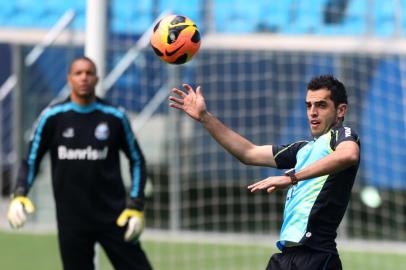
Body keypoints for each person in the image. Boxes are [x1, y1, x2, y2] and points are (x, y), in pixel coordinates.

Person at [169, 75, 360, 270]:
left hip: (316, 256)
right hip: (286, 257)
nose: (312, 112)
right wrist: (205, 117)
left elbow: (349, 155)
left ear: (340, 110)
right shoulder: (301, 149)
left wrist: (292, 178)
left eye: (321, 105)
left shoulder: (341, 136)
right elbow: (248, 153)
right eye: (308, 105)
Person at [7, 56, 153, 270]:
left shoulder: (115, 117)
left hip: (115, 216)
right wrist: (19, 193)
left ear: (97, 78)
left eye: (89, 73)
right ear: (69, 79)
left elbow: (137, 160)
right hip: (71, 220)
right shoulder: (52, 117)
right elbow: (31, 159)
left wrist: (136, 206)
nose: (84, 77)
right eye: (78, 73)